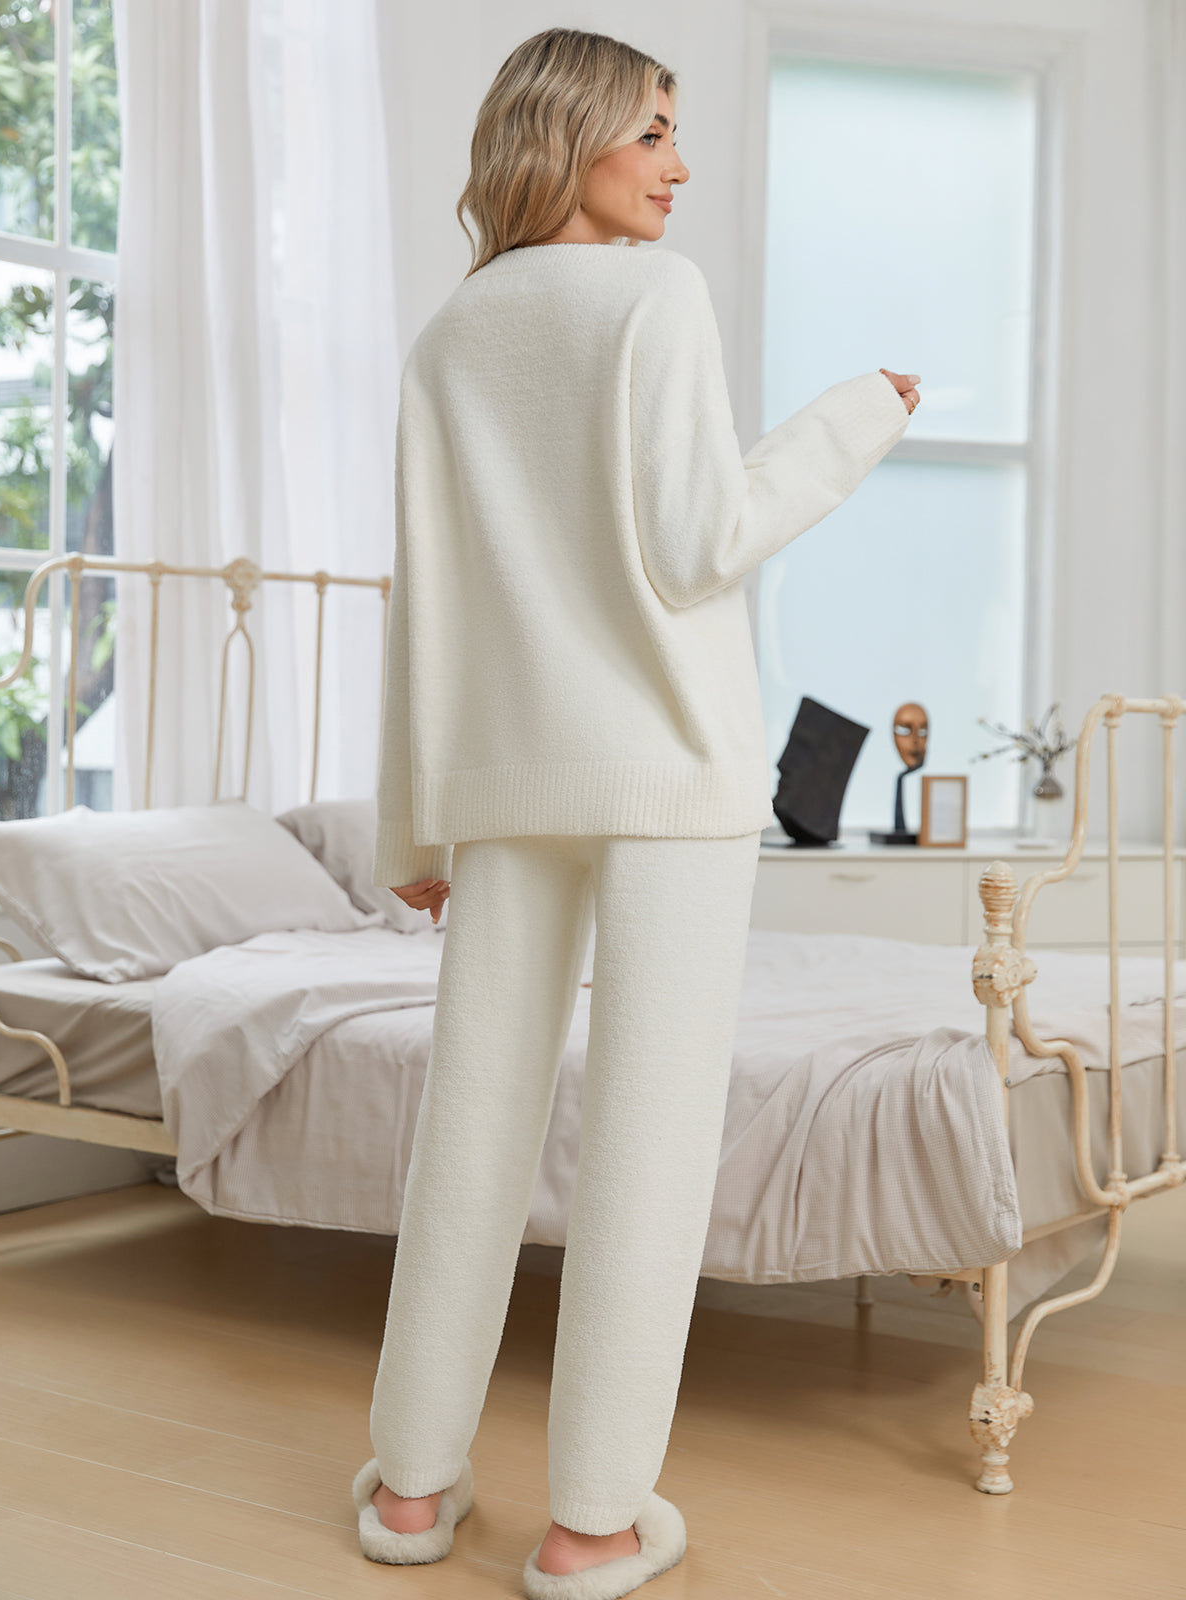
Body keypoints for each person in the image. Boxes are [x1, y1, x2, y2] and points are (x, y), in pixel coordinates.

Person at [350, 26, 920, 1600]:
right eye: (653, 132)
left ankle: (411, 1489)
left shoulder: (451, 336)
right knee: (647, 1139)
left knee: (470, 1126)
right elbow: (698, 542)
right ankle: (592, 1520)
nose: (679, 166)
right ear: (575, 134)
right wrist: (856, 417)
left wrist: (410, 830)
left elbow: (427, 611)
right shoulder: (656, 299)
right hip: (669, 777)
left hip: (509, 784)